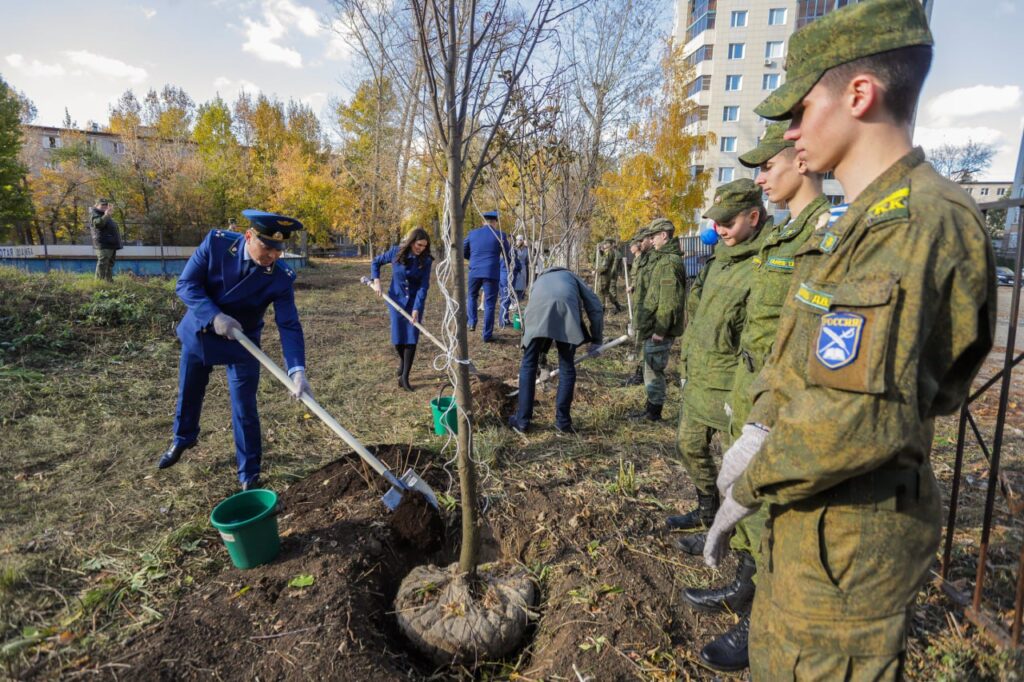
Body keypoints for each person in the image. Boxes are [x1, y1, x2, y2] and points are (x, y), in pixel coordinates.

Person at [705, 1, 995, 678]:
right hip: (811, 523)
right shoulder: (859, 224)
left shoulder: (920, 223)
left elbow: (854, 418)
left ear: (859, 95)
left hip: (849, 546)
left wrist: (751, 481)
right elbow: (806, 362)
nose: (792, 133)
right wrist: (762, 427)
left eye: (802, 110)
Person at [676, 124, 828, 673]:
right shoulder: (784, 241)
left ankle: (758, 620)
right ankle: (746, 588)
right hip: (753, 391)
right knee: (749, 500)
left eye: (769, 165)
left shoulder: (820, 237)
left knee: (768, 514)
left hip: (778, 401)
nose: (761, 177)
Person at [156, 210, 312, 491]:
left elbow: (288, 323)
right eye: (268, 248)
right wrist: (214, 316)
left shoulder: (281, 276)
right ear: (249, 236)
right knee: (190, 389)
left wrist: (297, 370)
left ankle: (248, 473)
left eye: (279, 250)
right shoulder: (216, 244)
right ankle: (183, 437)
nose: (274, 256)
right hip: (203, 329)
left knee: (244, 406)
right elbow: (186, 284)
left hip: (243, 342)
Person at [667, 179, 768, 532]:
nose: (719, 229)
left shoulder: (765, 265)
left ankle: (737, 540)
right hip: (700, 379)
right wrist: (684, 365)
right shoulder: (718, 261)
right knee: (688, 446)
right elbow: (698, 320)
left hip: (731, 389)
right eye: (716, 222)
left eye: (728, 222)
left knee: (737, 469)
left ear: (753, 217)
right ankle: (707, 512)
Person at [508, 267, 603, 434]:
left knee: (528, 365)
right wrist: (597, 339)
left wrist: (536, 348)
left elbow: (535, 312)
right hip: (566, 316)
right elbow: (595, 306)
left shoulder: (538, 280)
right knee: (566, 367)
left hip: (535, 315)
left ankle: (522, 421)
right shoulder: (572, 277)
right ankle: (563, 422)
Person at [628, 218, 686, 422]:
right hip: (652, 325)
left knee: (654, 371)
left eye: (653, 236)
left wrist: (660, 330)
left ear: (664, 235)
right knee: (650, 370)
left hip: (658, 329)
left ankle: (653, 413)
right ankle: (650, 409)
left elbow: (669, 302)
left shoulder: (669, 262)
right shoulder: (661, 258)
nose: (651, 241)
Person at [371, 228, 433, 391]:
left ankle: (405, 377)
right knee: (398, 338)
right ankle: (403, 362)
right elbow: (376, 262)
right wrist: (376, 281)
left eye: (424, 246)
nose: (421, 249)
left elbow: (423, 286)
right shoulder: (395, 252)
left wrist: (417, 308)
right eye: (419, 245)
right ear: (412, 242)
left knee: (411, 337)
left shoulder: (426, 260)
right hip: (396, 299)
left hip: (414, 301)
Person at [464, 210, 514, 341]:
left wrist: (473, 260)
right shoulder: (500, 235)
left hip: (474, 271)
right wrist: (509, 267)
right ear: (495, 223)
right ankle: (486, 335)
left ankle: (471, 322)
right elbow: (508, 256)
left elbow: (464, 250)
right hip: (491, 272)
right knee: (490, 304)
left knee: (471, 296)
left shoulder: (472, 233)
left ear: (483, 222)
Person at [623, 236, 649, 387]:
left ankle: (641, 370)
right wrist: (632, 285)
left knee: (641, 334)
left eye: (633, 245)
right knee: (638, 330)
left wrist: (633, 285)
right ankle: (640, 367)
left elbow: (640, 278)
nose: (631, 248)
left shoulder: (643, 259)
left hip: (642, 299)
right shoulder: (639, 259)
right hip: (637, 296)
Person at [89, 198, 122, 281]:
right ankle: (99, 282)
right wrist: (106, 215)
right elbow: (98, 224)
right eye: (102, 205)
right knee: (103, 262)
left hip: (110, 244)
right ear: (96, 205)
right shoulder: (95, 213)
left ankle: (108, 281)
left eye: (106, 205)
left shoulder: (105, 215)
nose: (104, 206)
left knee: (109, 264)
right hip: (103, 243)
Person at [497, 238, 523, 328]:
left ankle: (505, 318)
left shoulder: (500, 251)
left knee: (504, 298)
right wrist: (519, 268)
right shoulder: (511, 251)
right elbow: (516, 264)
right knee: (506, 299)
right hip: (508, 277)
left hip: (502, 276)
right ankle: (502, 321)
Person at [596, 239, 623, 314]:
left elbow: (606, 265)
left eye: (606, 244)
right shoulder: (609, 252)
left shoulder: (610, 252)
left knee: (601, 291)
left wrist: (596, 271)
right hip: (609, 275)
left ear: (610, 244)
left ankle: (603, 309)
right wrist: (601, 253)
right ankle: (617, 306)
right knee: (607, 292)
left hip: (607, 275)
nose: (604, 245)